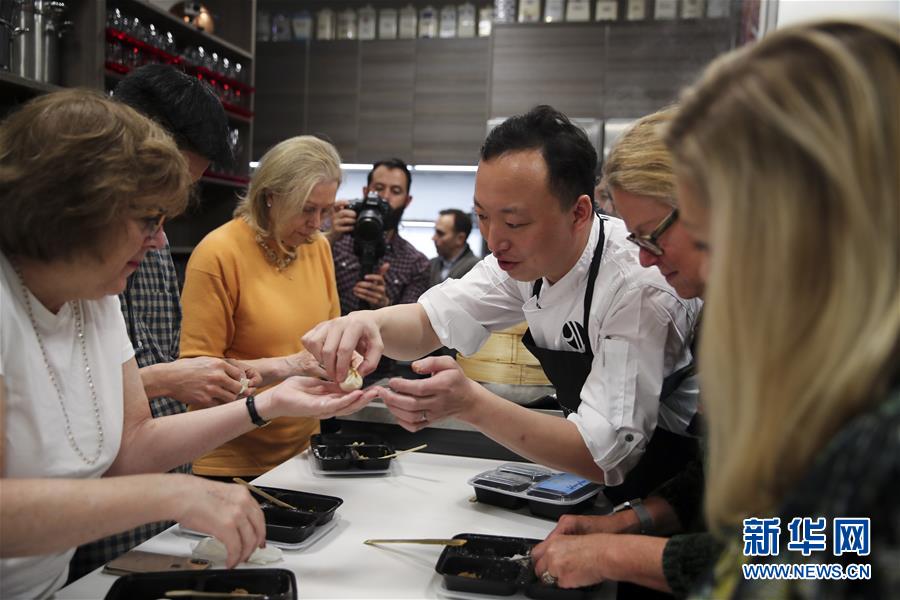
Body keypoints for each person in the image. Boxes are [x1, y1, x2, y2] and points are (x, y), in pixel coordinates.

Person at [0, 90, 367, 600]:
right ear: (75, 212)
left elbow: (132, 446)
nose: (157, 242)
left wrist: (271, 402)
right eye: (148, 219)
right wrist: (173, 492)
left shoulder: (98, 298)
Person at [304, 105, 702, 503]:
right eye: (482, 218)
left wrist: (471, 404)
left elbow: (605, 456)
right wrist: (367, 324)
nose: (495, 241)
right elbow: (430, 321)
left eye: (514, 223)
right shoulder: (525, 263)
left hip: (677, 482)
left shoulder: (640, 285)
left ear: (579, 212)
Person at [667, 19, 898, 598]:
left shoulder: (880, 453)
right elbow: (808, 548)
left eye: (717, 244)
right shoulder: (850, 406)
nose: (715, 275)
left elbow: (819, 560)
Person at [67, 63, 262, 583]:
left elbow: (134, 420)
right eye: (152, 206)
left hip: (150, 510)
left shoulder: (143, 252)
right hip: (87, 525)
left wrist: (273, 397)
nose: (160, 231)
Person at [530, 108, 719, 598]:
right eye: (635, 238)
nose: (642, 259)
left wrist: (617, 555)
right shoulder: (728, 315)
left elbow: (837, 556)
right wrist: (632, 521)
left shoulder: (829, 339)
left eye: (654, 235)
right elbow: (719, 473)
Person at [179, 135, 355, 478]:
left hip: (303, 454)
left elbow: (328, 336)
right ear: (270, 197)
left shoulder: (316, 247)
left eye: (326, 210)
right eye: (307, 209)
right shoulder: (218, 254)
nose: (318, 224)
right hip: (229, 461)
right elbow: (198, 378)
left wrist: (343, 359)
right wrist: (289, 365)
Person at [327, 157, 430, 380]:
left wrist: (385, 307)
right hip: (321, 362)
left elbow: (412, 338)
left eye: (395, 191)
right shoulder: (334, 237)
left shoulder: (416, 263)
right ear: (366, 191)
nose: (385, 197)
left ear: (407, 200)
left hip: (376, 373)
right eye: (379, 188)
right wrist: (328, 237)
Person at [429, 208, 480, 287]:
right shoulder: (430, 265)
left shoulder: (477, 268)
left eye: (440, 233)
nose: (434, 238)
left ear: (460, 238)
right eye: (435, 232)